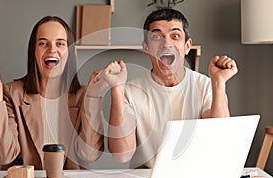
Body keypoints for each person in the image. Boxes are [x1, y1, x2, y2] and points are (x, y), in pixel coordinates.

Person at [101, 8, 238, 168]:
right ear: (146, 47)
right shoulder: (130, 92)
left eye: (175, 36)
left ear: (187, 46)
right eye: (157, 37)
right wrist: (117, 88)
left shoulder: (207, 85)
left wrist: (219, 83)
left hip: (196, 177)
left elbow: (219, 140)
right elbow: (122, 154)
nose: (166, 43)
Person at [0, 16, 104, 170]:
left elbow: (89, 155)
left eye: (60, 43)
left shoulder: (84, 95)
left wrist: (93, 96)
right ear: (34, 51)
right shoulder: (11, 93)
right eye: (43, 43)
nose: (52, 50)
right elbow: (4, 156)